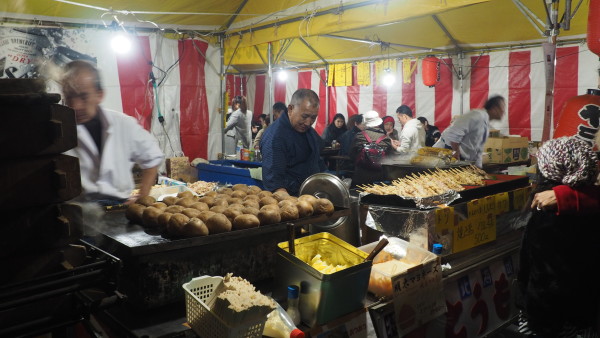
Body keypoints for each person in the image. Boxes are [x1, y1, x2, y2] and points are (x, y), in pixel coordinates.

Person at [518, 136, 600, 337]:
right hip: (587, 311)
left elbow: (546, 279)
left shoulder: (552, 212)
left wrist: (538, 322)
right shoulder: (584, 205)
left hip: (556, 319)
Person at [61, 60, 164, 206]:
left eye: (83, 97)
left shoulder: (124, 124)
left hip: (120, 207)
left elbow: (153, 157)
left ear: (99, 94)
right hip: (78, 210)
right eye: (69, 97)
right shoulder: (58, 132)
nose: (76, 106)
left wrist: (143, 196)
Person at [260, 89, 326, 195]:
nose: (309, 122)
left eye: (313, 118)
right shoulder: (276, 137)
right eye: (304, 116)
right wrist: (291, 205)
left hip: (312, 195)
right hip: (290, 200)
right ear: (290, 109)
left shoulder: (308, 131)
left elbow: (318, 156)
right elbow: (275, 185)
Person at [433, 95, 506, 167]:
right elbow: (453, 134)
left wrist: (478, 168)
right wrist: (456, 152)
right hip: (447, 151)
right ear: (494, 109)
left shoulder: (485, 123)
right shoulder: (476, 116)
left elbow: (478, 150)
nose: (504, 112)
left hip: (460, 156)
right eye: (502, 108)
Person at [350, 110, 395, 188]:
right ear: (379, 123)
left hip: (361, 176)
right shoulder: (386, 139)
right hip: (379, 177)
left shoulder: (359, 136)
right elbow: (390, 158)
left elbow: (352, 154)